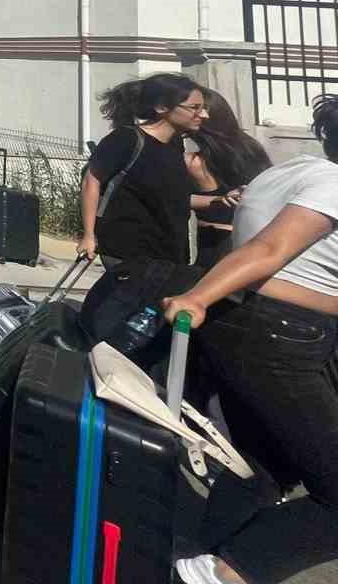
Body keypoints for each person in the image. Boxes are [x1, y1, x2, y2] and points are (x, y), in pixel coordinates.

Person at [167, 94, 338, 584]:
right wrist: (197, 296)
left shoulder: (296, 170)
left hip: (249, 328)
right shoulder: (333, 186)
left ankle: (201, 553)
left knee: (267, 464)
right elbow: (269, 248)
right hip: (281, 338)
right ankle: (219, 572)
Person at [76, 73, 218, 269]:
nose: (204, 115)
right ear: (161, 107)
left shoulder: (175, 144)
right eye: (195, 108)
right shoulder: (126, 138)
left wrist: (221, 200)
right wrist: (89, 235)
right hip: (128, 251)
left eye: (204, 108)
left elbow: (175, 198)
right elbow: (91, 182)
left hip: (169, 253)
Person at [186, 87, 271, 270]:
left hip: (215, 240)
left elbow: (174, 199)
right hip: (253, 236)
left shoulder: (194, 161)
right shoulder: (250, 147)